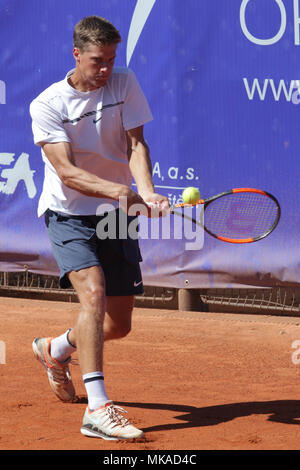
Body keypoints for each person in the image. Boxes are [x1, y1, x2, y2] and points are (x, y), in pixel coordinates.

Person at [29, 15, 169, 441]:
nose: (105, 68)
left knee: (118, 323)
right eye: (97, 60)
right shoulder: (47, 104)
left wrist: (145, 189)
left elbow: (136, 144)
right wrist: (120, 191)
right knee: (93, 294)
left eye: (111, 59)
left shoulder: (124, 83)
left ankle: (57, 350)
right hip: (69, 213)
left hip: (113, 217)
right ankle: (98, 408)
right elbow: (67, 173)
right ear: (76, 54)